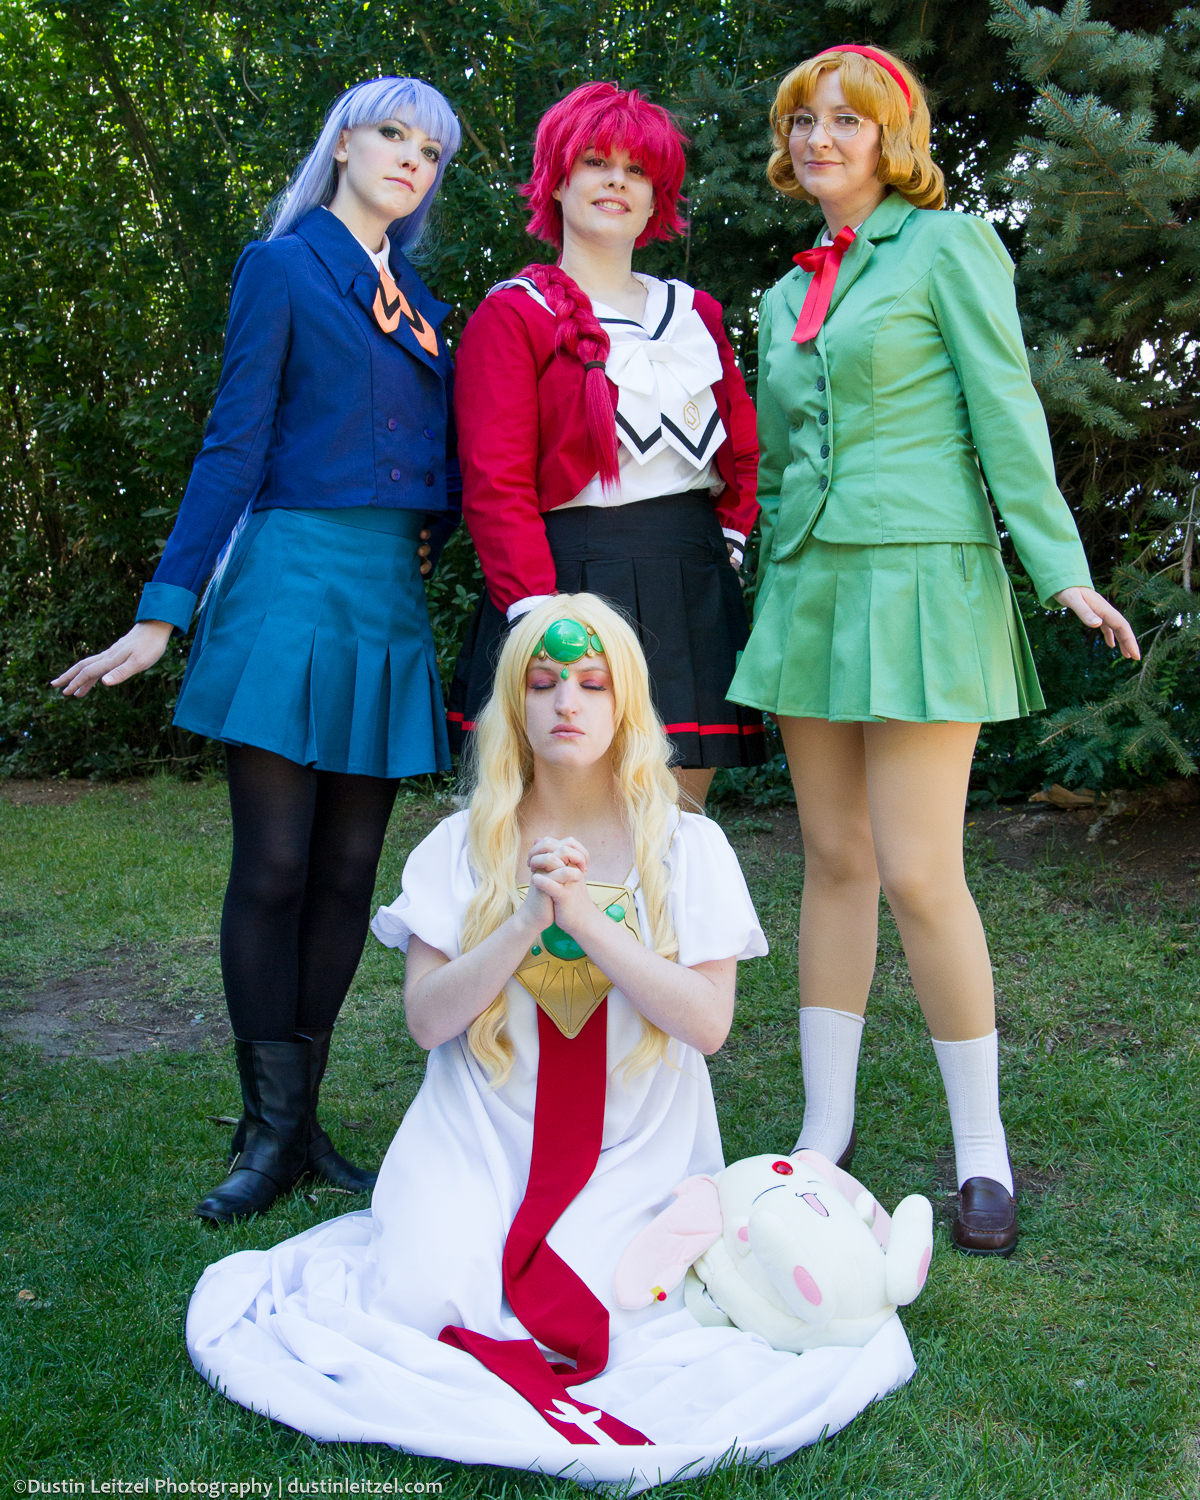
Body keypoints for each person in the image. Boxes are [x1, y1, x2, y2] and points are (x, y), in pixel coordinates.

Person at [184, 593, 917, 1487]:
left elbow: (708, 1024)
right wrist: (526, 917)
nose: (567, 702)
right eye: (543, 683)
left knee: (626, 1309)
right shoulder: (459, 845)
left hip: (637, 1148)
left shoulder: (690, 848)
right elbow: (427, 1020)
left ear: (625, 704)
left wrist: (589, 922)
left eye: (592, 683)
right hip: (476, 1135)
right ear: (514, 705)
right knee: (422, 1297)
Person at [728, 45, 1140, 1256]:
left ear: (891, 139)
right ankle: (825, 1130)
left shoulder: (949, 248)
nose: (819, 139)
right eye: (803, 120)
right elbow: (784, 457)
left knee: (918, 870)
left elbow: (1004, 408)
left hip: (921, 579)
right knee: (833, 859)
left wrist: (1060, 566)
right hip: (810, 590)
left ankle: (982, 1153)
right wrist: (757, 564)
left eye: (847, 121)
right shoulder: (781, 295)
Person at [52, 77, 464, 1223]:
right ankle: (268, 1130)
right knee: (277, 867)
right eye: (393, 134)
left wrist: (434, 533)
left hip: (386, 600)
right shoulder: (280, 268)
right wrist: (162, 611)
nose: (411, 158)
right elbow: (234, 445)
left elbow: (436, 459)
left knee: (348, 873)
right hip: (289, 583)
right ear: (344, 145)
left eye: (431, 151)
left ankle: (299, 1120)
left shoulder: (426, 305)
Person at [447, 82, 765, 810]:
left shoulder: (696, 312)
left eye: (637, 170)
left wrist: (726, 545)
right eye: (595, 162)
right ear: (558, 182)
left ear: (658, 200)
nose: (617, 180)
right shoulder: (514, 313)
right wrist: (538, 614)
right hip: (566, 583)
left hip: (690, 581)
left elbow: (743, 451)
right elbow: (496, 484)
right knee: (562, 829)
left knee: (676, 825)